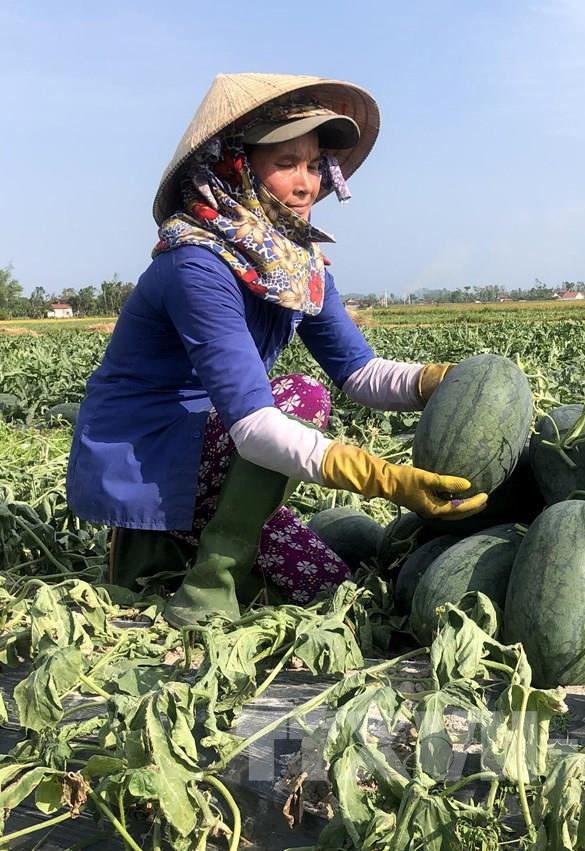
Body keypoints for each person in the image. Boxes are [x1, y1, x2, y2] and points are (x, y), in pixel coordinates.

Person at [66, 73, 486, 627]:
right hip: (155, 453)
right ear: (233, 165)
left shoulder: (296, 268)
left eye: (314, 165)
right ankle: (206, 581)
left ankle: (207, 545)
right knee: (300, 395)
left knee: (331, 587)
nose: (307, 183)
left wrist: (448, 380)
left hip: (222, 446)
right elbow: (256, 424)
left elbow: (360, 373)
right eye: (286, 162)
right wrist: (386, 480)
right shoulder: (196, 266)